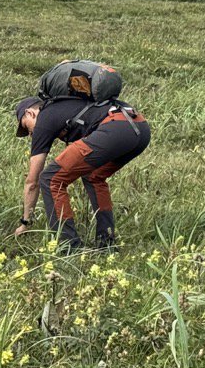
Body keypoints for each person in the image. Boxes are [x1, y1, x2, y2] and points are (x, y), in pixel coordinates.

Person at [12, 90, 151, 251]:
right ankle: (106, 243)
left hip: (116, 127)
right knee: (93, 176)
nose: (30, 134)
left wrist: (25, 222)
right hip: (140, 128)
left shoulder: (44, 118)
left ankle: (69, 247)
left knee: (50, 178)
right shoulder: (65, 107)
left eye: (26, 127)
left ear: (30, 113)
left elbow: (33, 181)